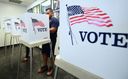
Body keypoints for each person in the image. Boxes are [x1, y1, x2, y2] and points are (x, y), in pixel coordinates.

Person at [22, 8, 59, 76]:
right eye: (46, 13)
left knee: (50, 54)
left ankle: (51, 68)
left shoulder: (55, 20)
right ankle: (45, 66)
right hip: (44, 39)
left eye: (48, 13)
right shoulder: (45, 20)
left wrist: (42, 29)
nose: (46, 14)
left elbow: (53, 30)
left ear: (52, 13)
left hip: (51, 40)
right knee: (44, 52)